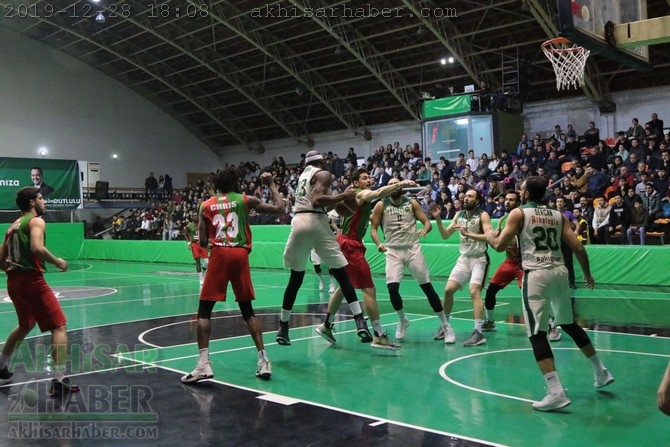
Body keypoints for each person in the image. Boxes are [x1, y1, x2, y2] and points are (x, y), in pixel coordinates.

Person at [486, 176, 614, 412]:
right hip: (560, 271)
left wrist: (489, 233)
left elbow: (499, 246)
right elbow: (578, 246)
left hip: (536, 274)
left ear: (525, 194)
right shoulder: (558, 214)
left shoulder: (518, 214)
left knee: (536, 334)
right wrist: (587, 274)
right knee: (568, 323)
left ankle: (555, 391)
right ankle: (601, 371)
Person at [181, 169, 284, 384]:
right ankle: (263, 360)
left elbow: (201, 242)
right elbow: (279, 209)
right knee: (247, 309)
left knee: (204, 310)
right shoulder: (246, 199)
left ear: (216, 186)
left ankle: (203, 365)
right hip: (240, 254)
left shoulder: (206, 205)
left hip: (219, 254)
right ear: (236, 182)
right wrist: (271, 184)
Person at [314, 169, 416, 350]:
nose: (368, 180)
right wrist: (399, 184)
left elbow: (361, 213)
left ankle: (326, 325)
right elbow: (377, 193)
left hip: (345, 243)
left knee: (343, 288)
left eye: (369, 177)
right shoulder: (360, 194)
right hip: (350, 246)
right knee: (369, 289)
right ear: (355, 183)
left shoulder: (355, 196)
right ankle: (378, 335)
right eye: (364, 178)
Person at [278, 151, 370, 347]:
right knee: (342, 275)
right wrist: (343, 196)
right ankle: (359, 321)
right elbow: (317, 202)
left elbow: (323, 204)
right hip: (315, 222)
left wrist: (343, 204)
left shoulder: (303, 177)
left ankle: (283, 327)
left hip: (298, 222)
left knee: (295, 280)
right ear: (320, 162)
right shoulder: (323, 174)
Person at [0, 187, 79, 394]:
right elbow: (36, 248)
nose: (45, 202)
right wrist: (57, 261)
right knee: (59, 326)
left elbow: (1, 262)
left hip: (13, 281)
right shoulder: (36, 221)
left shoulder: (12, 227)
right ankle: (59, 380)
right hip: (31, 280)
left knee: (25, 324)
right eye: (41, 198)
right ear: (32, 203)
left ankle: (1, 368)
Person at [368, 178, 449, 341]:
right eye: (391, 184)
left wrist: (425, 229)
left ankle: (445, 326)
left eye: (397, 184)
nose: (395, 187)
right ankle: (402, 319)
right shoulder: (381, 205)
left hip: (412, 248)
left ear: (402, 187)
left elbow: (427, 223)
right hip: (392, 250)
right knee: (392, 289)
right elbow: (374, 229)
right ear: (387, 188)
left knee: (427, 287)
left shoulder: (411, 203)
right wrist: (378, 243)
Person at [429, 189, 493, 347]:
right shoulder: (459, 215)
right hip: (464, 259)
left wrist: (468, 234)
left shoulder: (483, 215)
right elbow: (445, 235)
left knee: (474, 291)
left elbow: (490, 236)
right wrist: (437, 218)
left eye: (471, 196)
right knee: (448, 290)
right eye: (465, 196)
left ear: (478, 200)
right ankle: (445, 326)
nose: (466, 198)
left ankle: (478, 332)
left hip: (479, 259)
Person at [480, 191, 522, 331]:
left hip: (524, 263)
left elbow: (505, 242)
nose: (507, 202)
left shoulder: (523, 218)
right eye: (506, 199)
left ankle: (550, 326)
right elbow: (497, 237)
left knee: (532, 296)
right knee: (490, 291)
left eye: (511, 200)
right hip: (510, 262)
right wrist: (491, 234)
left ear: (518, 203)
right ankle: (490, 321)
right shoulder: (503, 219)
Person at [184, 212, 209, 287]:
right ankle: (201, 279)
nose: (196, 217)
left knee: (207, 262)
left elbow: (207, 233)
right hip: (194, 244)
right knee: (197, 261)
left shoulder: (202, 224)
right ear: (192, 217)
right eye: (194, 216)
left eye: (197, 215)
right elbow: (185, 234)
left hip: (202, 244)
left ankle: (203, 269)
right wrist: (188, 242)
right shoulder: (189, 225)